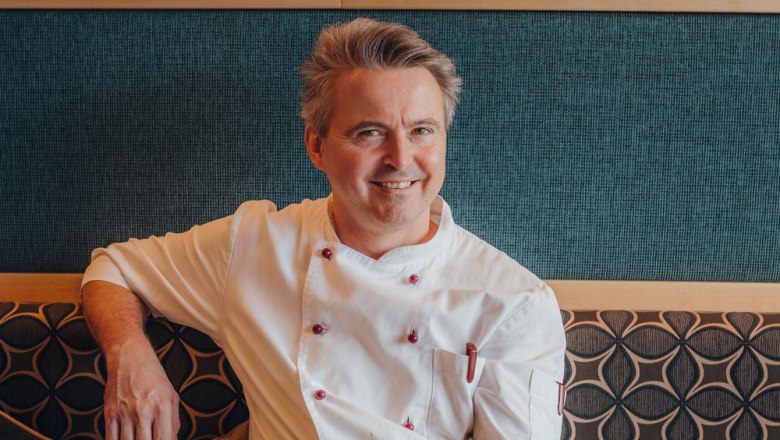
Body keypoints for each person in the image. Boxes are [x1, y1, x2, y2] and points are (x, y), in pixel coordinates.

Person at [81, 17, 567, 440]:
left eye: (422, 130)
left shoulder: (514, 304)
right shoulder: (253, 246)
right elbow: (113, 269)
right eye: (370, 133)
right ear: (317, 146)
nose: (400, 159)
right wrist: (129, 354)